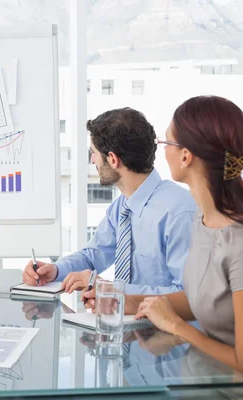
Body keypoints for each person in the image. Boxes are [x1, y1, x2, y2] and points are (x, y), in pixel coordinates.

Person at [90, 95, 243, 372]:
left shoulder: (237, 242)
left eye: (166, 142)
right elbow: (204, 300)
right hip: (196, 375)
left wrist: (175, 327)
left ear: (185, 156)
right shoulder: (203, 220)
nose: (159, 150)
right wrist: (125, 300)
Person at [22, 108, 197, 294]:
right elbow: (93, 256)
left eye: (94, 153)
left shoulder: (179, 212)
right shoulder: (121, 208)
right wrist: (55, 270)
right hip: (123, 320)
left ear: (112, 159)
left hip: (161, 323)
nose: (92, 161)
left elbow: (187, 295)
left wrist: (111, 291)